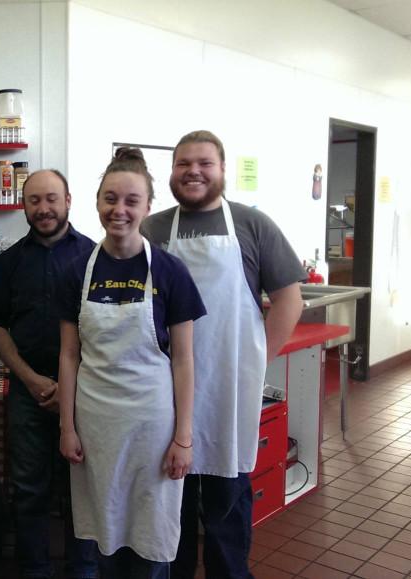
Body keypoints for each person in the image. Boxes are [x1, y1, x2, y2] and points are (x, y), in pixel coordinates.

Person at [140, 130, 304, 579]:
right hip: (165, 391)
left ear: (222, 170)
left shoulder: (253, 225)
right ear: (171, 172)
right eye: (183, 163)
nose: (193, 171)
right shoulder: (153, 229)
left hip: (229, 390)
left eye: (204, 163)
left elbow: (290, 299)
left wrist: (255, 361)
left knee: (225, 508)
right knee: (170, 506)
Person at [59, 147, 205, 579]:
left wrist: (183, 437)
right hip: (96, 424)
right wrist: (66, 427)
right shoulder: (77, 270)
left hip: (152, 427)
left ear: (147, 207)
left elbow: (183, 361)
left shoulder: (170, 272)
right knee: (105, 533)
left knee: (150, 537)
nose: (118, 210)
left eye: (130, 201)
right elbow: (68, 356)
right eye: (110, 198)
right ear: (97, 200)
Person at [0, 169, 99, 579]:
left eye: (51, 199)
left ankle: (83, 572)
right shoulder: (9, 262)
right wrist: (31, 379)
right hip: (27, 392)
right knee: (29, 489)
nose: (43, 208)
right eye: (34, 200)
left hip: (87, 392)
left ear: (69, 200)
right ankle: (35, 571)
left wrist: (72, 382)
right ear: (23, 204)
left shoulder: (94, 258)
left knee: (82, 491)